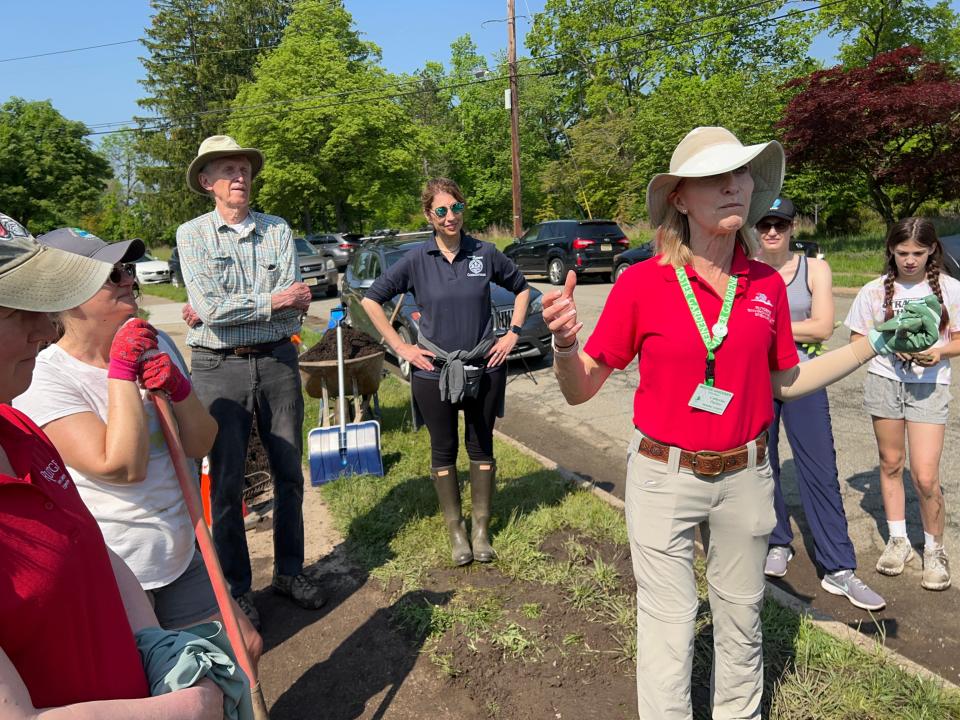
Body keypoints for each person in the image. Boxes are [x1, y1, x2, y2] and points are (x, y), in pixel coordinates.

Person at [543, 127, 940, 719]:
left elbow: (787, 382)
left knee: (742, 622)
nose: (734, 185)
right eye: (715, 176)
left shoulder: (765, 286)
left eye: (742, 173)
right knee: (669, 627)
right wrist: (564, 347)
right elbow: (580, 391)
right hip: (662, 477)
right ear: (680, 198)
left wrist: (870, 345)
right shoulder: (641, 283)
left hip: (748, 477)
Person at [0, 211, 223, 718]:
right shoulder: (45, 378)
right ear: (69, 302)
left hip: (181, 548)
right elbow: (121, 466)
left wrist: (180, 390)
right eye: (110, 275)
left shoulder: (155, 343)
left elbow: (202, 442)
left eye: (127, 269)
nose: (129, 280)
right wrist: (123, 373)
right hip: (132, 560)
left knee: (238, 650)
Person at [177, 134, 322, 630]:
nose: (241, 176)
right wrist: (271, 301)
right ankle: (238, 591)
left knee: (288, 472)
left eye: (245, 168)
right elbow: (219, 307)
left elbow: (290, 302)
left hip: (280, 360)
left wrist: (223, 310)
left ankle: (289, 572)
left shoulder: (277, 229)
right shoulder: (192, 235)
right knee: (225, 483)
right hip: (218, 368)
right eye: (228, 169)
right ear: (207, 182)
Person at [360, 177, 530, 565]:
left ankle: (481, 530)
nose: (450, 216)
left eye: (456, 208)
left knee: (481, 444)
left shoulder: (484, 253)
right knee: (444, 449)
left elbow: (521, 288)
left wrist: (513, 334)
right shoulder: (417, 260)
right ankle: (457, 532)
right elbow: (372, 300)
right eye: (441, 210)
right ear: (428, 215)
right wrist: (400, 346)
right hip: (433, 371)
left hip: (484, 366)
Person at [754, 199, 885, 610]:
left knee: (820, 470)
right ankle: (778, 541)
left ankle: (839, 568)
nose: (772, 231)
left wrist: (763, 325)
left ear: (793, 226)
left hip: (804, 377)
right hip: (755, 381)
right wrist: (789, 328)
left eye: (780, 223)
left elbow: (824, 325)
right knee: (762, 465)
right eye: (764, 223)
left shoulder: (816, 269)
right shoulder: (745, 269)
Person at [845, 217, 960, 591]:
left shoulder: (950, 290)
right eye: (902, 253)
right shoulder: (874, 291)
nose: (910, 260)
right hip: (884, 383)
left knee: (925, 475)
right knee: (891, 463)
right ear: (891, 252)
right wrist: (886, 345)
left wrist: (938, 352)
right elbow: (856, 339)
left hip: (930, 387)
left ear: (932, 252)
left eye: (918, 253)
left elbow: (958, 340)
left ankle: (934, 549)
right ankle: (898, 541)